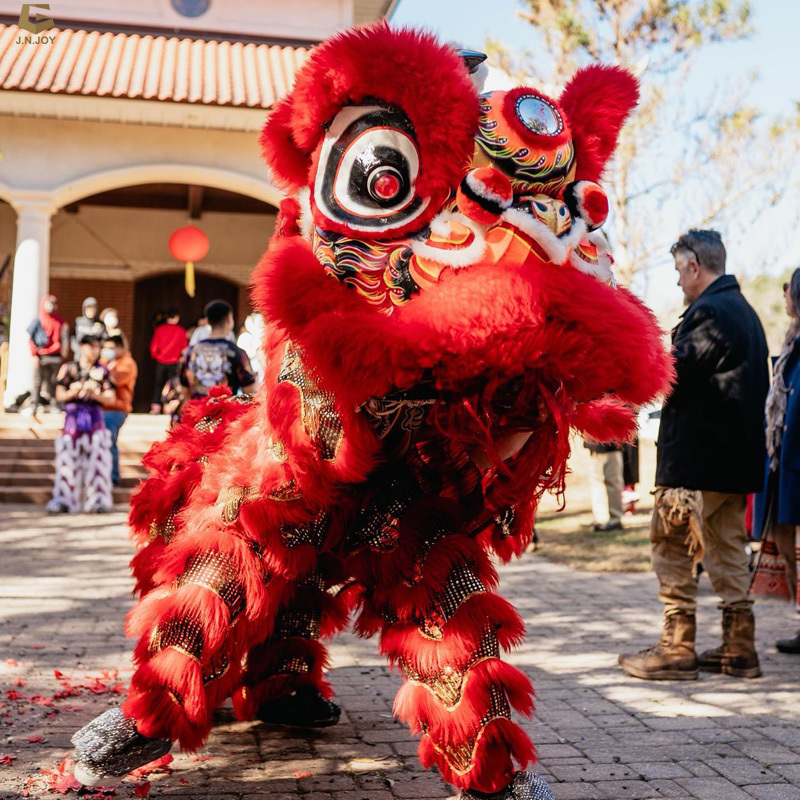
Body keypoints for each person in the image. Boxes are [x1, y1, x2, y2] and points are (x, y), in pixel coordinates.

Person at [70, 28, 673, 800]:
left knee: (447, 598)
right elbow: (302, 339)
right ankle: (161, 705)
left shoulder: (490, 210)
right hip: (304, 452)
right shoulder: (336, 206)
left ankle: (487, 764)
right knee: (237, 550)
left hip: (401, 473)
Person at [619, 229, 769, 681]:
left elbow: (673, 372)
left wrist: (630, 360)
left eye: (679, 271)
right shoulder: (743, 312)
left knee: (672, 547)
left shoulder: (710, 312)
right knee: (726, 548)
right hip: (733, 467)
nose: (678, 282)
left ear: (694, 266)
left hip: (695, 466)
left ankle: (677, 648)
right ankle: (739, 648)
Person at [751, 270, 800, 654]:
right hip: (784, 459)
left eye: (789, 288)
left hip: (796, 460)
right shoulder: (791, 343)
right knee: (788, 545)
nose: (783, 293)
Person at [47, 335, 116, 514]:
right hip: (72, 419)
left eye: (97, 347)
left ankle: (98, 500)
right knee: (67, 461)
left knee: (98, 462)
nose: (94, 351)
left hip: (95, 418)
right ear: (81, 347)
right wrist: (74, 391)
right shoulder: (68, 368)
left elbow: (111, 397)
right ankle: (64, 499)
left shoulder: (103, 370)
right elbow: (59, 395)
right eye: (91, 346)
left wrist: (93, 395)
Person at [178, 299, 256, 400]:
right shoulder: (236, 353)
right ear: (229, 319)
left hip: (197, 413)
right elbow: (250, 392)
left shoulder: (190, 352)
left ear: (207, 320)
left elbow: (185, 392)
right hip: (227, 413)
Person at [101, 334, 138, 487]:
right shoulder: (106, 362)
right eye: (106, 348)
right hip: (102, 407)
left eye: (111, 348)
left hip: (116, 408)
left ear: (120, 347)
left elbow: (113, 380)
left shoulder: (127, 363)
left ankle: (113, 476)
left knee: (109, 441)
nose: (107, 351)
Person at [27, 294, 68, 415]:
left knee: (53, 381)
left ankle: (53, 404)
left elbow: (64, 338)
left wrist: (64, 350)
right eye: (48, 304)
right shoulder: (37, 321)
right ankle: (35, 404)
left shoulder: (60, 322)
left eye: (53, 304)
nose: (50, 307)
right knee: (38, 380)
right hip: (41, 356)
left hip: (55, 356)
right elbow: (32, 339)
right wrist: (34, 355)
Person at [149, 308, 188, 414]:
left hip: (161, 361)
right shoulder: (181, 331)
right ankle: (173, 407)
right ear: (176, 318)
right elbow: (184, 349)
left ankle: (156, 407)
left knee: (159, 384)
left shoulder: (159, 329)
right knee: (176, 386)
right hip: (175, 362)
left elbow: (153, 347)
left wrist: (157, 356)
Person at [584, 439, 624, 531]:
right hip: (594, 445)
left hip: (612, 445)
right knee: (596, 483)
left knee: (613, 482)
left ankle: (615, 519)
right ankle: (600, 518)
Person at [236, 311, 266, 387]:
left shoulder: (264, 338)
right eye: (258, 323)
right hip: (250, 371)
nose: (261, 325)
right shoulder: (245, 337)